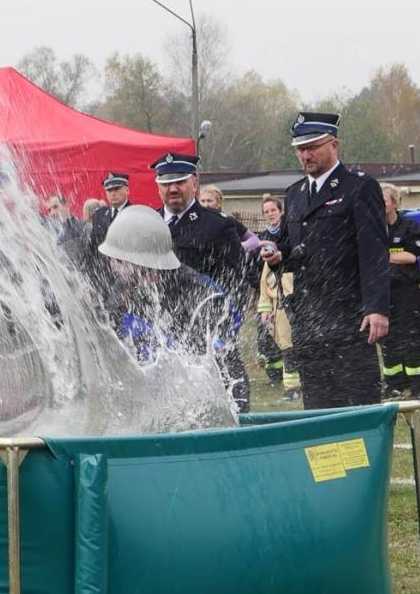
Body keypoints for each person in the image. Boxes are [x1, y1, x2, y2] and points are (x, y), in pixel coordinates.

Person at [263, 112, 390, 409]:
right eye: (300, 149)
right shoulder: (295, 193)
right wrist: (277, 256)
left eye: (312, 147)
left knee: (357, 405)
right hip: (309, 317)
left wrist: (377, 308)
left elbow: (374, 252)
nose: (305, 155)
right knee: (319, 408)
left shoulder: (358, 187)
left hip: (349, 315)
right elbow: (294, 249)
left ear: (334, 145)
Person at [97, 205, 245, 408]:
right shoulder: (124, 287)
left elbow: (217, 348)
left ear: (141, 261)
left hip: (213, 397)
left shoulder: (199, 292)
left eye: (117, 260)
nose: (112, 265)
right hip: (151, 398)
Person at [152, 152, 250, 405]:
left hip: (209, 343)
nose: (173, 189)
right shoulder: (147, 224)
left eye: (180, 182)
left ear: (194, 182)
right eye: (166, 183)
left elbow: (238, 283)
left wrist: (223, 333)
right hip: (163, 345)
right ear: (158, 186)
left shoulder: (217, 226)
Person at [378, 184, 420, 400]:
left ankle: (418, 387)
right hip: (382, 292)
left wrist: (382, 255)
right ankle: (394, 384)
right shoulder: (373, 229)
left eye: (384, 200)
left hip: (405, 292)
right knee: (387, 340)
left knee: (410, 339)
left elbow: (411, 256)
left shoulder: (410, 227)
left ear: (395, 202)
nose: (379, 205)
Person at [255, 195, 301, 401]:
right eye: (266, 211)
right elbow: (264, 279)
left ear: (281, 212)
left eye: (273, 210)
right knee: (281, 343)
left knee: (289, 343)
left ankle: (293, 388)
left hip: (290, 300)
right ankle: (289, 383)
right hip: (276, 302)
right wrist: (264, 308)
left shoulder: (290, 237)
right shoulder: (265, 241)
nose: (270, 214)